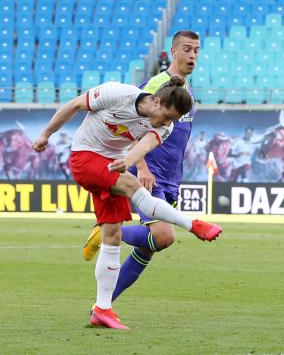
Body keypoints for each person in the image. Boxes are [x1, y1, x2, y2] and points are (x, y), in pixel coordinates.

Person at [32, 76, 222, 330]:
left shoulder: (166, 127)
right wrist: (46, 134)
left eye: (173, 120)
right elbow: (75, 105)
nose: (168, 123)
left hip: (111, 161)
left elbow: (143, 146)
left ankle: (102, 309)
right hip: (85, 157)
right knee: (134, 187)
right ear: (156, 101)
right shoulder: (116, 93)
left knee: (112, 235)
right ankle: (193, 224)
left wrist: (128, 160)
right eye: (167, 116)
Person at [82, 31, 206, 303]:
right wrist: (142, 166)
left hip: (171, 179)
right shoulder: (155, 85)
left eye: (196, 50)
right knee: (163, 236)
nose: (192, 55)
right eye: (187, 49)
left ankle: (102, 307)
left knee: (148, 249)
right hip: (151, 175)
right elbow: (133, 125)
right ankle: (107, 231)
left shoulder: (187, 92)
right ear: (173, 51)